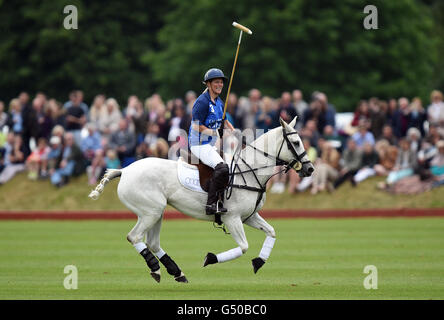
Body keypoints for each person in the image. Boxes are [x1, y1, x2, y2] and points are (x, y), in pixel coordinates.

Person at [188, 68, 235, 215]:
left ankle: (221, 199)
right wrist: (214, 132)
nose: (220, 84)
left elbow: (223, 118)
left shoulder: (219, 102)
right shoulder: (201, 102)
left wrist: (231, 129)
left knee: (231, 167)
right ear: (208, 84)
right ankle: (211, 205)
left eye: (221, 82)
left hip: (210, 144)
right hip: (199, 144)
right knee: (222, 168)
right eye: (216, 82)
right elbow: (196, 126)